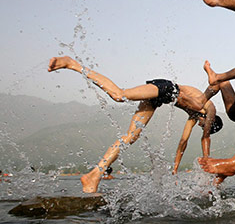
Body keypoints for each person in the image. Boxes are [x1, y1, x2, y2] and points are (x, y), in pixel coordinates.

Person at [48, 56, 222, 192]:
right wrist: (209, 162)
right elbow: (205, 137)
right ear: (210, 121)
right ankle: (73, 64)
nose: (200, 125)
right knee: (119, 95)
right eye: (203, 124)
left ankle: (95, 175)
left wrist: (175, 169)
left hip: (160, 99)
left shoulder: (194, 115)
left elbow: (183, 141)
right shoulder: (209, 108)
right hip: (166, 88)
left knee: (132, 136)